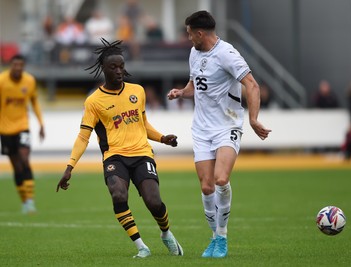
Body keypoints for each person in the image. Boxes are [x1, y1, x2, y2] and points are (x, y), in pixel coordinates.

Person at [56, 39, 183, 259]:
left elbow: (143, 125)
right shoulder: (94, 102)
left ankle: (166, 233)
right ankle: (142, 246)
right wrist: (70, 167)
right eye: (113, 67)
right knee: (118, 195)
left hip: (142, 154)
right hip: (115, 157)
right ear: (103, 69)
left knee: (154, 202)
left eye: (121, 66)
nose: (119, 71)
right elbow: (83, 136)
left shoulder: (138, 91)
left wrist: (163, 138)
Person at [167, 11, 271, 258]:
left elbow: (252, 84)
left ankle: (221, 237)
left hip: (228, 125)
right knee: (206, 187)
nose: (188, 36)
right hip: (202, 129)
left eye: (189, 32)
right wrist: (182, 92)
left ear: (200, 33)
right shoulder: (194, 53)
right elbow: (196, 84)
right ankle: (213, 238)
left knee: (221, 179)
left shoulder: (227, 54)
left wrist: (253, 118)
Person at [0, 54, 45, 214]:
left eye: (21, 65)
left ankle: (31, 201)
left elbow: (34, 102)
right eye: (15, 65)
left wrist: (41, 123)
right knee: (16, 167)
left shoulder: (29, 81)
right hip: (5, 131)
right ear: (10, 65)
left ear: (23, 66)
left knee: (25, 159)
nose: (18, 68)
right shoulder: (2, 81)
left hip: (22, 127)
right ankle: (24, 201)